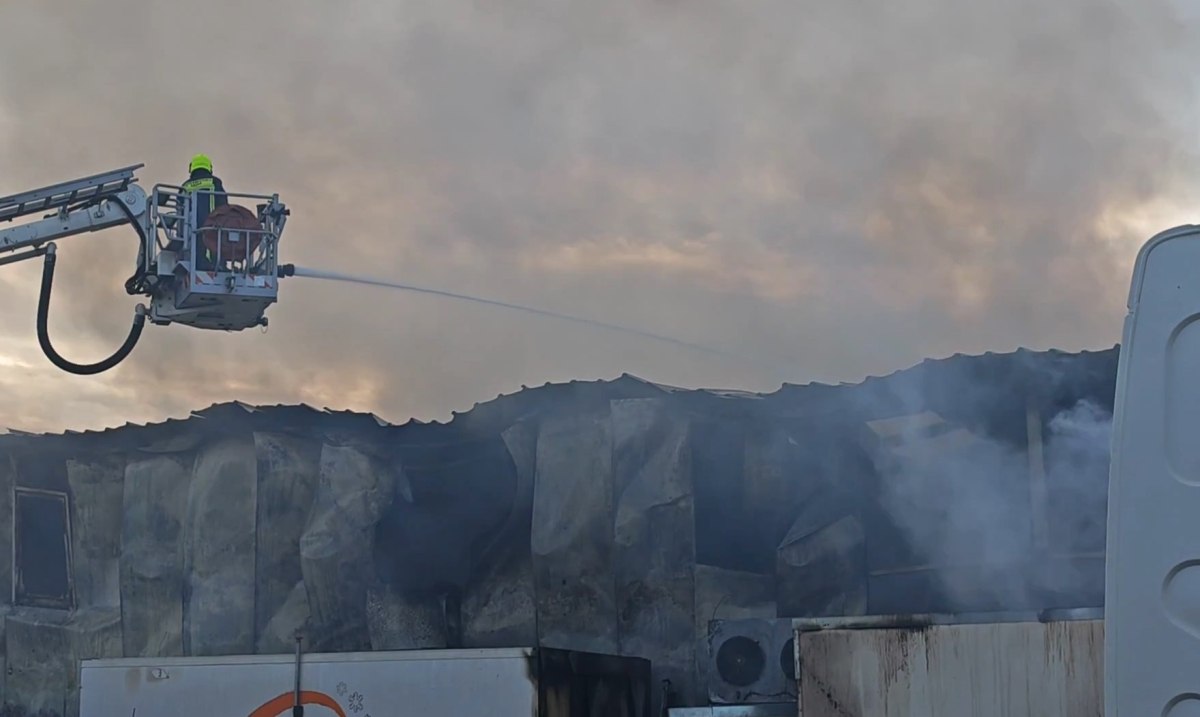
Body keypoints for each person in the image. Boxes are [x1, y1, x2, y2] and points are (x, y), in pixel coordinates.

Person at [181, 154, 228, 270]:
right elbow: (224, 205)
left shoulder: (185, 186)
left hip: (189, 230)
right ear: (209, 168)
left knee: (196, 248)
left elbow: (179, 208)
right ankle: (217, 265)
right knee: (214, 245)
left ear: (191, 168)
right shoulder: (214, 182)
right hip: (212, 226)